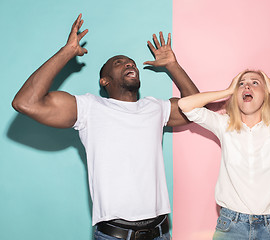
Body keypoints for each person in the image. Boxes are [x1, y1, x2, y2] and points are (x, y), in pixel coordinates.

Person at [12, 14, 199, 240]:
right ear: (105, 81)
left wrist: (172, 65)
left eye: (131, 62)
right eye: (119, 62)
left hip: (161, 232)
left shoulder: (154, 107)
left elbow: (195, 110)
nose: (129, 63)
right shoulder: (89, 107)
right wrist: (67, 52)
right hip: (116, 235)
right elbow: (25, 102)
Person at [178, 70, 270, 240]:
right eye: (241, 83)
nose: (246, 85)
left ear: (265, 93)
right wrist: (227, 91)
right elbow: (185, 105)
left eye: (255, 82)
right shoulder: (223, 124)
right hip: (230, 224)